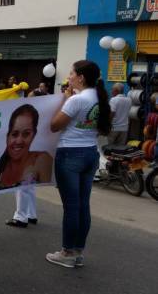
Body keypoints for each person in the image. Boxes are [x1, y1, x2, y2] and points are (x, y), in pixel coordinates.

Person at [47, 60, 111, 268]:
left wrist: (66, 100)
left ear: (81, 77)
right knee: (83, 205)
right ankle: (77, 251)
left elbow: (55, 126)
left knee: (72, 207)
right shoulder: (99, 98)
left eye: (72, 73)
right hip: (90, 153)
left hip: (70, 154)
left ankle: (67, 252)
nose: (68, 76)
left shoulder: (76, 100)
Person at [0, 105, 53, 228]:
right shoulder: (5, 160)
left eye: (26, 134)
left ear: (34, 134)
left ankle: (21, 216)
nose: (19, 140)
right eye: (15, 134)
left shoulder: (41, 159)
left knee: (24, 183)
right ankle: (30, 214)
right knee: (28, 185)